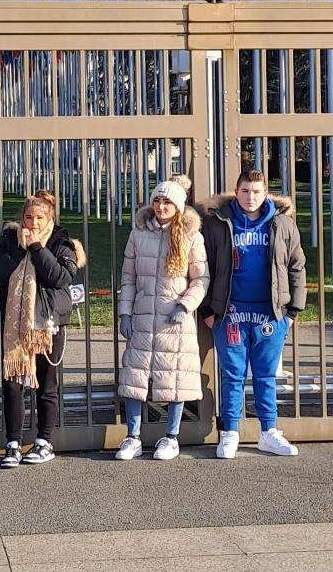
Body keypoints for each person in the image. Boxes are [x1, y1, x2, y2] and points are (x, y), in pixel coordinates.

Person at [198, 168, 306, 458]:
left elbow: (297, 266)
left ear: (265, 194)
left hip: (270, 313)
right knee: (232, 374)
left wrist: (293, 310)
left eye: (257, 192)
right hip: (230, 312)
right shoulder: (218, 223)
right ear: (236, 192)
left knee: (265, 374)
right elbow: (203, 265)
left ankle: (268, 432)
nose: (251, 197)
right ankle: (230, 432)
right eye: (245, 191)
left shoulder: (282, 224)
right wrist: (209, 309)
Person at [0, 189, 85, 467]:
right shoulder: (10, 239)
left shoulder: (61, 242)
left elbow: (59, 277)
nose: (33, 223)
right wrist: (19, 247)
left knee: (46, 384)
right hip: (14, 325)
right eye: (28, 217)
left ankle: (44, 441)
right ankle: (13, 443)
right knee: (13, 383)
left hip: (47, 323)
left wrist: (36, 248)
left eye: (39, 217)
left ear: (49, 218)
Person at [115, 175, 208, 460]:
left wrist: (185, 306)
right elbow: (128, 278)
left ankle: (171, 436)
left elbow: (200, 278)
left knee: (174, 377)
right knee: (135, 377)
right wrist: (125, 313)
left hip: (174, 319)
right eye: (157, 199)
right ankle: (132, 436)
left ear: (178, 206)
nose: (161, 205)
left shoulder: (192, 237)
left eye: (167, 201)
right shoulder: (138, 234)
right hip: (143, 316)